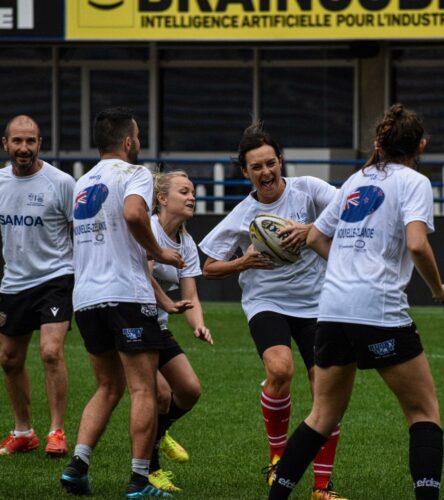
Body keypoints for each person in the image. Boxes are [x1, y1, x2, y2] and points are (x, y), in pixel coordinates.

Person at [268, 104, 444, 500]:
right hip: (378, 310)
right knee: (423, 413)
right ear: (421, 145)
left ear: (381, 142)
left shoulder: (356, 179)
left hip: (333, 309)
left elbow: (315, 237)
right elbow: (417, 244)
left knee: (322, 416)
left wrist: (347, 267)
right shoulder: (415, 182)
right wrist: (439, 290)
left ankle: (277, 496)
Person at [199, 122, 345, 499]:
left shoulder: (308, 189)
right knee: (280, 370)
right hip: (266, 301)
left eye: (270, 163)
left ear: (280, 162)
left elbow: (348, 208)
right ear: (245, 172)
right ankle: (278, 459)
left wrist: (310, 229)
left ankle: (322, 487)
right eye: (256, 167)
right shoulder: (243, 213)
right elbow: (209, 267)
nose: (265, 172)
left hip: (316, 301)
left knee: (325, 389)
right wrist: (242, 263)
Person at [59, 107, 184, 498]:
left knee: (106, 387)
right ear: (129, 141)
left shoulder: (83, 182)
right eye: (138, 136)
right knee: (144, 390)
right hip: (126, 295)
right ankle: (139, 480)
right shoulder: (136, 174)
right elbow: (133, 213)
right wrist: (159, 252)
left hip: (86, 297)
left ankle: (77, 466)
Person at [0, 115, 74, 457]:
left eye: (30, 141)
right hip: (14, 282)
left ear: (40, 143)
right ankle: (23, 432)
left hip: (55, 278)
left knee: (50, 351)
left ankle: (56, 431)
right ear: (5, 144)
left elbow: (79, 231)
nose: (24, 148)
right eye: (17, 141)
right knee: (8, 359)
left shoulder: (61, 183)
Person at [146, 170, 213, 494]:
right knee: (159, 396)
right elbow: (144, 276)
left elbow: (191, 295)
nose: (192, 197)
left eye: (192, 192)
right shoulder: (148, 229)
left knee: (189, 390)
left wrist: (198, 324)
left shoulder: (186, 243)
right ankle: (150, 470)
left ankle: (158, 432)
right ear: (162, 198)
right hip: (131, 322)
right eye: (184, 192)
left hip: (157, 325)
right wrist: (168, 304)